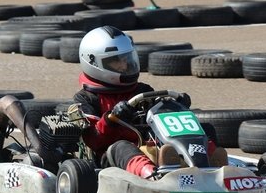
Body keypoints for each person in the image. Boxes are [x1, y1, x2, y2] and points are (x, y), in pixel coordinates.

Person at [73, 25, 225, 179]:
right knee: (122, 146)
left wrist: (178, 106)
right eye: (115, 62)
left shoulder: (141, 89)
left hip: (147, 144)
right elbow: (93, 140)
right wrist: (111, 119)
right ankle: (152, 175)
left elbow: (157, 114)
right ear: (94, 63)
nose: (124, 66)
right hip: (110, 156)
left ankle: (210, 165)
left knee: (205, 130)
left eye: (126, 59)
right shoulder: (86, 98)